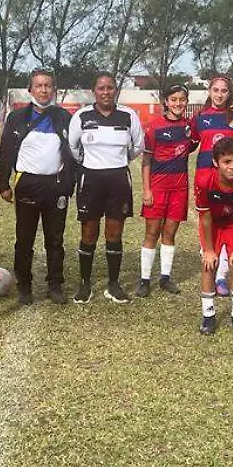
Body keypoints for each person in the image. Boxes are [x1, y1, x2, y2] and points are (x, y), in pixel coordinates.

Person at [0, 69, 75, 306]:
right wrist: (3, 183)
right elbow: (7, 152)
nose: (43, 90)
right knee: (24, 239)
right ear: (30, 90)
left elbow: (72, 153)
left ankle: (55, 285)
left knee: (55, 239)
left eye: (48, 86)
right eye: (39, 86)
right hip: (28, 185)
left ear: (54, 90)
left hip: (56, 185)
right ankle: (24, 287)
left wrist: (69, 183)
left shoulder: (64, 117)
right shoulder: (17, 118)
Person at [68, 73, 143, 305]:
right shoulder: (81, 116)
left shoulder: (128, 115)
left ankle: (113, 283)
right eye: (101, 88)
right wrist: (93, 163)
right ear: (94, 91)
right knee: (89, 232)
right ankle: (85, 283)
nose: (106, 92)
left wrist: (117, 161)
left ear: (115, 90)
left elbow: (137, 146)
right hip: (90, 179)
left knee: (114, 233)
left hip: (119, 179)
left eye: (110, 88)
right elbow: (73, 147)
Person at [189, 75, 233, 297]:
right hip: (205, 179)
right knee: (208, 223)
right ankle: (214, 271)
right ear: (210, 91)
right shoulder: (199, 117)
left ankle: (222, 275)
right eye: (216, 90)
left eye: (224, 90)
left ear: (229, 93)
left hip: (231, 180)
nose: (220, 94)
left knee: (230, 222)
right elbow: (190, 142)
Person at [138, 84, 197, 297]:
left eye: (182, 99)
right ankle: (144, 280)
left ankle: (165, 277)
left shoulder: (189, 127)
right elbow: (146, 160)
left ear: (186, 102)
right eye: (174, 99)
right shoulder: (154, 127)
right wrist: (147, 190)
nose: (178, 103)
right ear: (166, 102)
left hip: (179, 188)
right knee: (152, 233)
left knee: (170, 233)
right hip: (158, 187)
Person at [194, 136, 233, 336]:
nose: (232, 167)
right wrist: (209, 250)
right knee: (209, 263)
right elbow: (204, 217)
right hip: (212, 224)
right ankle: (208, 314)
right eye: (226, 162)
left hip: (232, 224)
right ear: (215, 162)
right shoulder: (204, 180)